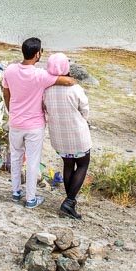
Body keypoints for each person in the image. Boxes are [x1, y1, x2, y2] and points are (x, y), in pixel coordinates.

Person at [2, 37, 75, 209]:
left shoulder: (10, 70)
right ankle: (31, 199)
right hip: (34, 126)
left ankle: (15, 192)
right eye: (41, 51)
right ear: (37, 54)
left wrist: (11, 111)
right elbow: (67, 81)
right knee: (33, 162)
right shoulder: (40, 75)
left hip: (16, 122)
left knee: (16, 156)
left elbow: (6, 93)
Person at [43, 53, 92, 220]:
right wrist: (83, 121)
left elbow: (44, 108)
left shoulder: (46, 89)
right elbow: (85, 110)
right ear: (66, 68)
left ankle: (70, 203)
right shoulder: (75, 88)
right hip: (77, 134)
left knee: (68, 165)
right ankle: (69, 201)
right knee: (83, 165)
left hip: (58, 135)